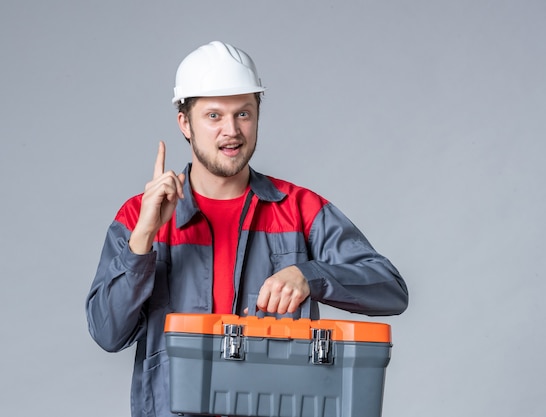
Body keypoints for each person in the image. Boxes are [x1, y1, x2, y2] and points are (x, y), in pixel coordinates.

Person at [86, 40, 408, 417]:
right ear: (184, 123)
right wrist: (143, 239)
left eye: (243, 114)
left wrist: (311, 275)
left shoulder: (299, 209)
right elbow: (107, 333)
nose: (231, 131)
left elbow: (391, 290)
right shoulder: (139, 216)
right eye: (213, 116)